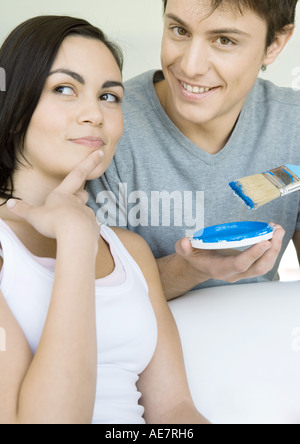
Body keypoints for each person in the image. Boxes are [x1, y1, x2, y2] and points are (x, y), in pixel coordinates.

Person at [0, 16, 208, 424]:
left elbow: (174, 412)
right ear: (15, 102)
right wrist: (76, 239)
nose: (94, 114)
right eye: (64, 89)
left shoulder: (130, 251)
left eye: (109, 96)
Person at [87, 0, 300, 301]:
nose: (190, 66)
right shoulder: (104, 126)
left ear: (275, 43)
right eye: (179, 30)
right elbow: (99, 297)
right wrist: (193, 268)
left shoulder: (294, 124)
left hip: (259, 338)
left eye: (224, 40)